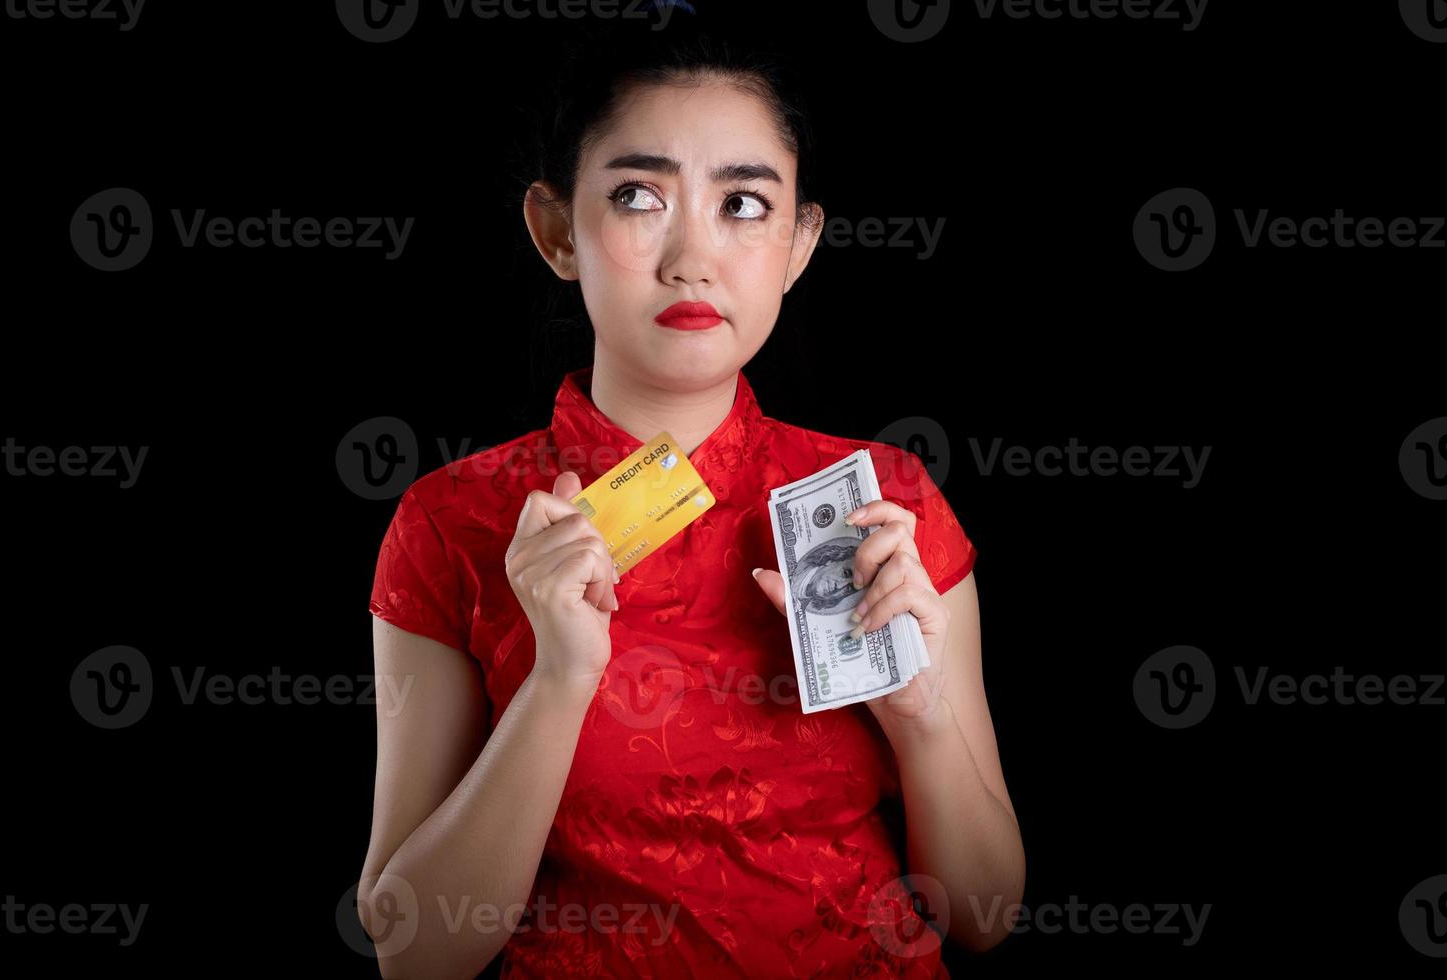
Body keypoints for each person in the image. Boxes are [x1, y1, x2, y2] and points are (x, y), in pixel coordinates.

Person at [357, 17, 1024, 979]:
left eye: (744, 205)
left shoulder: (887, 502)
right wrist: (556, 682)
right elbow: (415, 953)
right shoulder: (452, 520)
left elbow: (987, 915)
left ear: (800, 243)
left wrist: (920, 713)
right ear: (556, 232)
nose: (691, 257)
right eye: (638, 195)